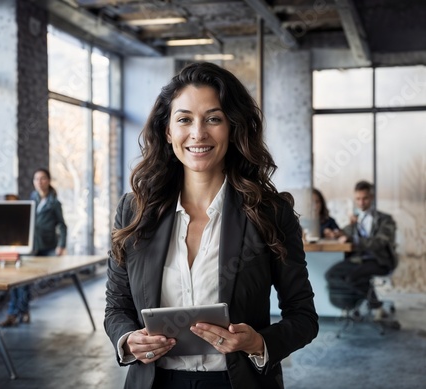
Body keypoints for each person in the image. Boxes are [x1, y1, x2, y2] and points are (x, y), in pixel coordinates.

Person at [104, 62, 318, 389]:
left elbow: (303, 317)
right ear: (167, 131)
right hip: (155, 382)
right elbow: (117, 308)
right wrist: (129, 340)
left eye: (213, 119)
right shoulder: (134, 211)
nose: (198, 133)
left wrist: (257, 343)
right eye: (185, 119)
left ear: (233, 128)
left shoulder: (269, 213)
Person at [0, 168, 67, 327]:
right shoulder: (31, 200)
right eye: (36, 179)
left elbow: (62, 225)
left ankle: (17, 312)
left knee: (26, 281)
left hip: (47, 245)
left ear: (48, 181)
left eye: (42, 178)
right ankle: (18, 312)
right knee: (20, 280)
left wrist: (61, 245)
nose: (39, 182)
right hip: (30, 245)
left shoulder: (54, 203)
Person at [325, 180, 398, 309]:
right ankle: (356, 305)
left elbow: (379, 243)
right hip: (359, 260)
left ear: (372, 198)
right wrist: (336, 233)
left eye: (365, 198)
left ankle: (373, 304)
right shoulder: (357, 219)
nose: (361, 202)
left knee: (353, 278)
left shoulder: (385, 220)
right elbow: (346, 232)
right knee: (331, 274)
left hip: (379, 260)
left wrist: (353, 239)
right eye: (358, 199)